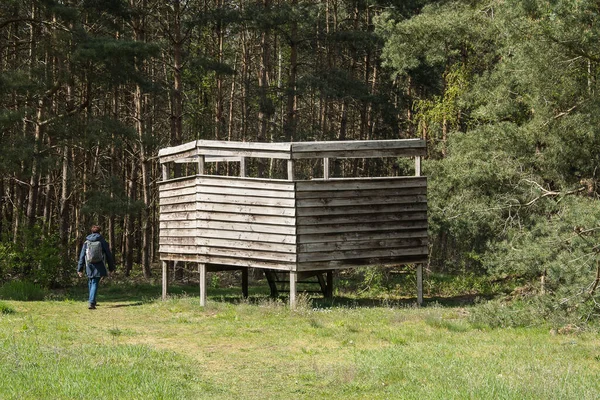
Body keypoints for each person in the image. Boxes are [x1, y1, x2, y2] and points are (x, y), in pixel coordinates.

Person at [77, 225, 116, 309]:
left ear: (91, 232)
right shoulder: (102, 241)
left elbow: (82, 255)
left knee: (91, 281)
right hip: (99, 264)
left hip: (89, 264)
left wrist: (80, 269)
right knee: (94, 282)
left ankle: (92, 300)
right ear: (99, 232)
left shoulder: (87, 242)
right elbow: (108, 255)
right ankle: (91, 302)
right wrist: (111, 268)